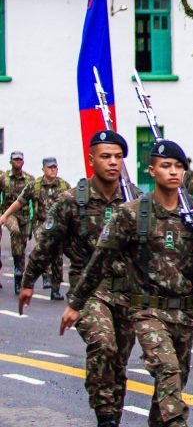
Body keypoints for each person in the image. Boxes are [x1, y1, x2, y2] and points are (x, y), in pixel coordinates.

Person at [60, 139, 193, 427]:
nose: (173, 172)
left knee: (172, 385)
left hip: (184, 313)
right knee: (167, 370)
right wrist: (76, 303)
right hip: (146, 311)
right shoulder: (130, 214)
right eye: (166, 165)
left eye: (178, 166)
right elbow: (99, 262)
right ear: (152, 170)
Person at [20, 131, 140, 427]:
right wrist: (27, 282)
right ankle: (105, 416)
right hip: (88, 291)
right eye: (105, 156)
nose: (113, 162)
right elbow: (47, 243)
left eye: (117, 157)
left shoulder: (135, 199)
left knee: (119, 362)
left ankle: (113, 416)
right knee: (103, 343)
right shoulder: (73, 200)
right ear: (91, 160)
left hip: (127, 292)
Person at [2, 156, 70, 299]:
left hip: (58, 225)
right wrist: (5, 216)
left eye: (55, 167)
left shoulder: (64, 186)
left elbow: (74, 204)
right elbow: (19, 202)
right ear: (43, 169)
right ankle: (46, 275)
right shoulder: (35, 185)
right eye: (50, 167)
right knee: (44, 244)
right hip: (41, 223)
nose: (53, 170)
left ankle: (55, 288)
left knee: (57, 255)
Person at [0, 151, 35, 293]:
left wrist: (34, 220)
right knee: (14, 231)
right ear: (10, 162)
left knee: (21, 244)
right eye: (15, 159)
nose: (18, 162)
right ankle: (17, 270)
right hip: (9, 213)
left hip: (25, 216)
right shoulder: (4, 178)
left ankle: (19, 277)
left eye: (20, 159)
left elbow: (35, 200)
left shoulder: (29, 179)